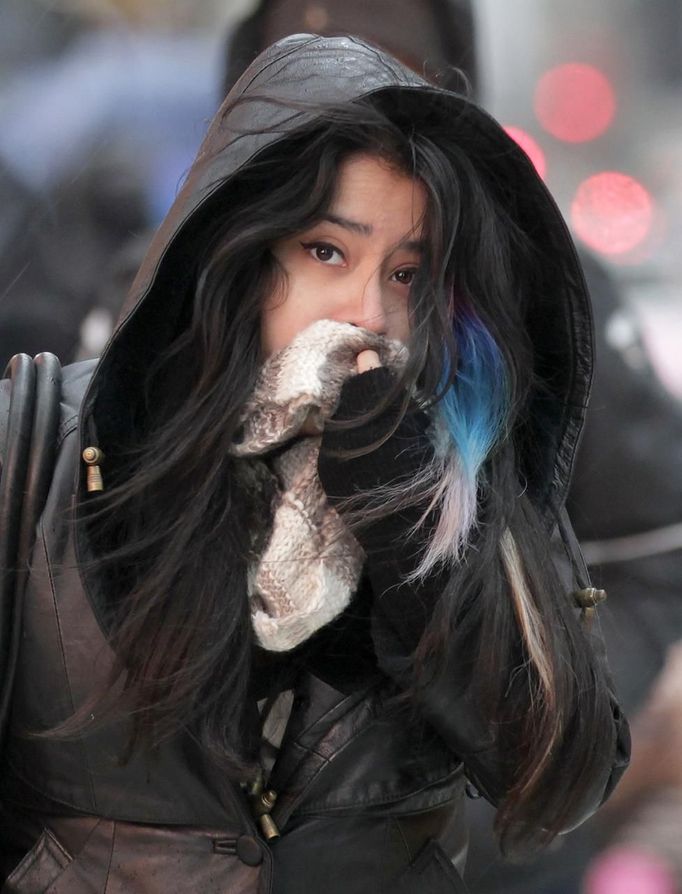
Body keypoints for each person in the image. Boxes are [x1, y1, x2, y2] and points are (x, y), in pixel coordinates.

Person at [0, 34, 629, 893]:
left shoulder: (470, 473)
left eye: (407, 274)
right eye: (326, 252)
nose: (367, 311)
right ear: (242, 253)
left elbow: (561, 778)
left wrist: (413, 529)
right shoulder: (50, 449)